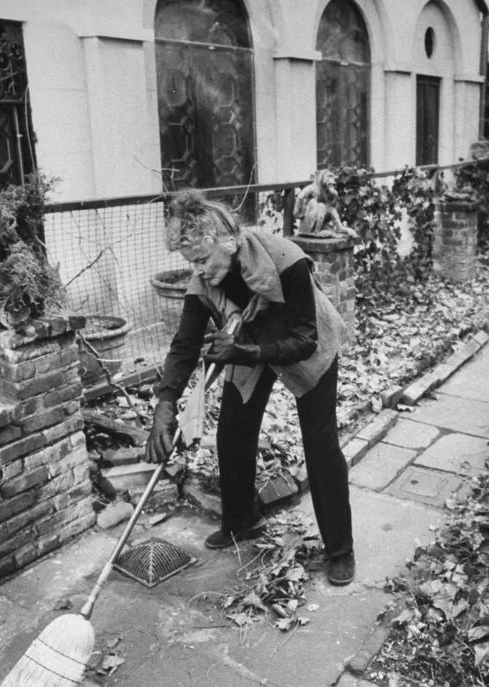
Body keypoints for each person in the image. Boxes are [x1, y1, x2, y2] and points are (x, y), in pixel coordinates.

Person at [145, 189, 356, 586]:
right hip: (249, 344)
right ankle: (241, 521)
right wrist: (166, 403)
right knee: (233, 431)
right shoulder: (204, 279)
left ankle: (340, 550)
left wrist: (244, 351)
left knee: (321, 446)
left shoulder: (283, 258)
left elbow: (305, 341)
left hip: (305, 343)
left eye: (204, 260)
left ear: (227, 242)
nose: (200, 271)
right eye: (192, 263)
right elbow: (185, 345)